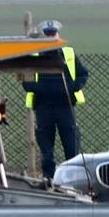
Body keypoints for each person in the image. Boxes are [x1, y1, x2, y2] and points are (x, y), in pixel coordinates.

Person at [23, 20, 89, 179]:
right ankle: (49, 179)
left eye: (53, 33)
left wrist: (71, 87)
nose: (51, 36)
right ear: (42, 35)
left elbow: (83, 74)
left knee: (71, 147)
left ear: (58, 34)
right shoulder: (34, 54)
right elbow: (26, 81)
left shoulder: (68, 53)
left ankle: (73, 179)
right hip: (43, 107)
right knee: (46, 150)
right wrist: (42, 89)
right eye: (48, 33)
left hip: (65, 106)